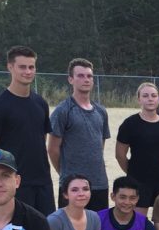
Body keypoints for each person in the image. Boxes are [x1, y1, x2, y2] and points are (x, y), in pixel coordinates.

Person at [0, 45, 54, 214]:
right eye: (22, 67)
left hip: (43, 181)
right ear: (10, 67)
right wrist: (4, 179)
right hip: (16, 183)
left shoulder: (40, 103)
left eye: (31, 67)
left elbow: (40, 140)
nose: (28, 72)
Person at [47, 58, 111, 212]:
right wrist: (65, 174)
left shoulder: (101, 111)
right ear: (71, 79)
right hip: (72, 186)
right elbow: (53, 149)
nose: (86, 80)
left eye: (89, 76)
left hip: (99, 184)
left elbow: (99, 146)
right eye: (80, 76)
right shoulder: (63, 111)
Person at [115, 82, 159, 217]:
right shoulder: (130, 124)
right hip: (139, 180)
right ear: (139, 99)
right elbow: (120, 154)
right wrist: (132, 172)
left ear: (158, 98)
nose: (150, 99)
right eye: (145, 96)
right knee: (138, 222)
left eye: (154, 95)